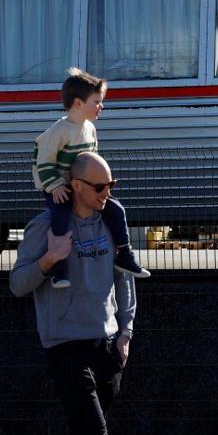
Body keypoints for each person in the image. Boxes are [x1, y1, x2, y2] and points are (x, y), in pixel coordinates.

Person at [11, 152, 143, 435]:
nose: (108, 194)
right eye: (100, 187)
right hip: (66, 348)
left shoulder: (110, 223)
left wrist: (125, 333)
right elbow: (17, 284)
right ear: (76, 186)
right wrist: (50, 259)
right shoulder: (46, 227)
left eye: (112, 186)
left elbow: (125, 278)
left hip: (106, 348)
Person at [32, 67, 149, 288]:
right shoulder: (59, 131)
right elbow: (44, 162)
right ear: (78, 103)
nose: (101, 106)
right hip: (61, 187)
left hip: (84, 188)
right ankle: (58, 268)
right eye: (97, 101)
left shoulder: (90, 129)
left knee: (116, 209)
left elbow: (91, 161)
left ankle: (124, 254)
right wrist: (55, 186)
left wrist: (100, 185)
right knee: (61, 216)